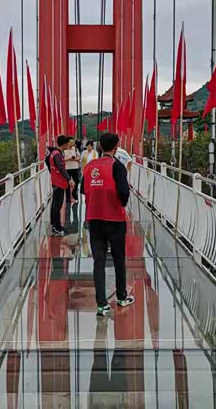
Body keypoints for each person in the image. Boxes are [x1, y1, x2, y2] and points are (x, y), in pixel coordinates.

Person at [82, 132, 134, 316]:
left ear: (100, 146)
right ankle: (121, 297)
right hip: (115, 220)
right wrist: (120, 204)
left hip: (94, 219)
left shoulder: (89, 166)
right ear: (116, 147)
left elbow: (83, 190)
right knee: (119, 259)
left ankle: (101, 305)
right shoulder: (117, 165)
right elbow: (124, 191)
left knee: (99, 261)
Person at [45, 135, 74, 235]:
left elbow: (47, 161)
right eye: (68, 144)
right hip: (59, 183)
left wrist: (51, 172)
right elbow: (61, 168)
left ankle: (54, 224)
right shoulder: (58, 155)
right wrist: (69, 179)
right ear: (64, 144)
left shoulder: (53, 153)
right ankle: (57, 227)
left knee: (55, 204)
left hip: (55, 181)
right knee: (57, 205)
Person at [63, 138, 81, 202]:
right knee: (67, 182)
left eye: (73, 142)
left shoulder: (75, 149)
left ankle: (74, 193)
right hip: (67, 168)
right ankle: (68, 196)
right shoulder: (64, 150)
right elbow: (62, 159)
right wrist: (69, 159)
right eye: (71, 142)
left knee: (77, 180)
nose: (72, 144)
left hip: (75, 167)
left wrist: (76, 159)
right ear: (67, 143)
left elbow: (79, 157)